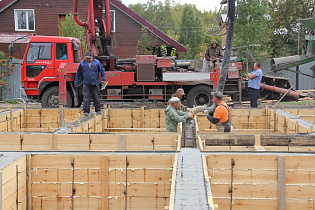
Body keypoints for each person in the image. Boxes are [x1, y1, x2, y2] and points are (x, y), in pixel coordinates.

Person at [75, 51, 107, 116]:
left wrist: (103, 79)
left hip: (95, 83)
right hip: (86, 83)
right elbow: (78, 73)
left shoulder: (97, 63)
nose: (88, 59)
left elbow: (102, 71)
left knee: (96, 97)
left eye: (89, 58)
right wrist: (77, 82)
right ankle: (86, 111)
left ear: (92, 57)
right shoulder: (82, 64)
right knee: (86, 98)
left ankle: (98, 110)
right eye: (86, 58)